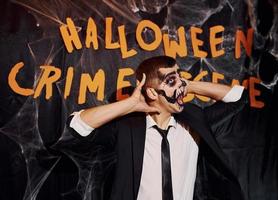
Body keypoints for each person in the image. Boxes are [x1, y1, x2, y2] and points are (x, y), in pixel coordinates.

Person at [66, 56, 247, 200]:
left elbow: (238, 97)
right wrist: (130, 104)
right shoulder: (127, 127)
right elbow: (78, 125)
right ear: (152, 92)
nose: (180, 86)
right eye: (170, 82)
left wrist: (189, 85)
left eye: (180, 77)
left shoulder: (194, 119)